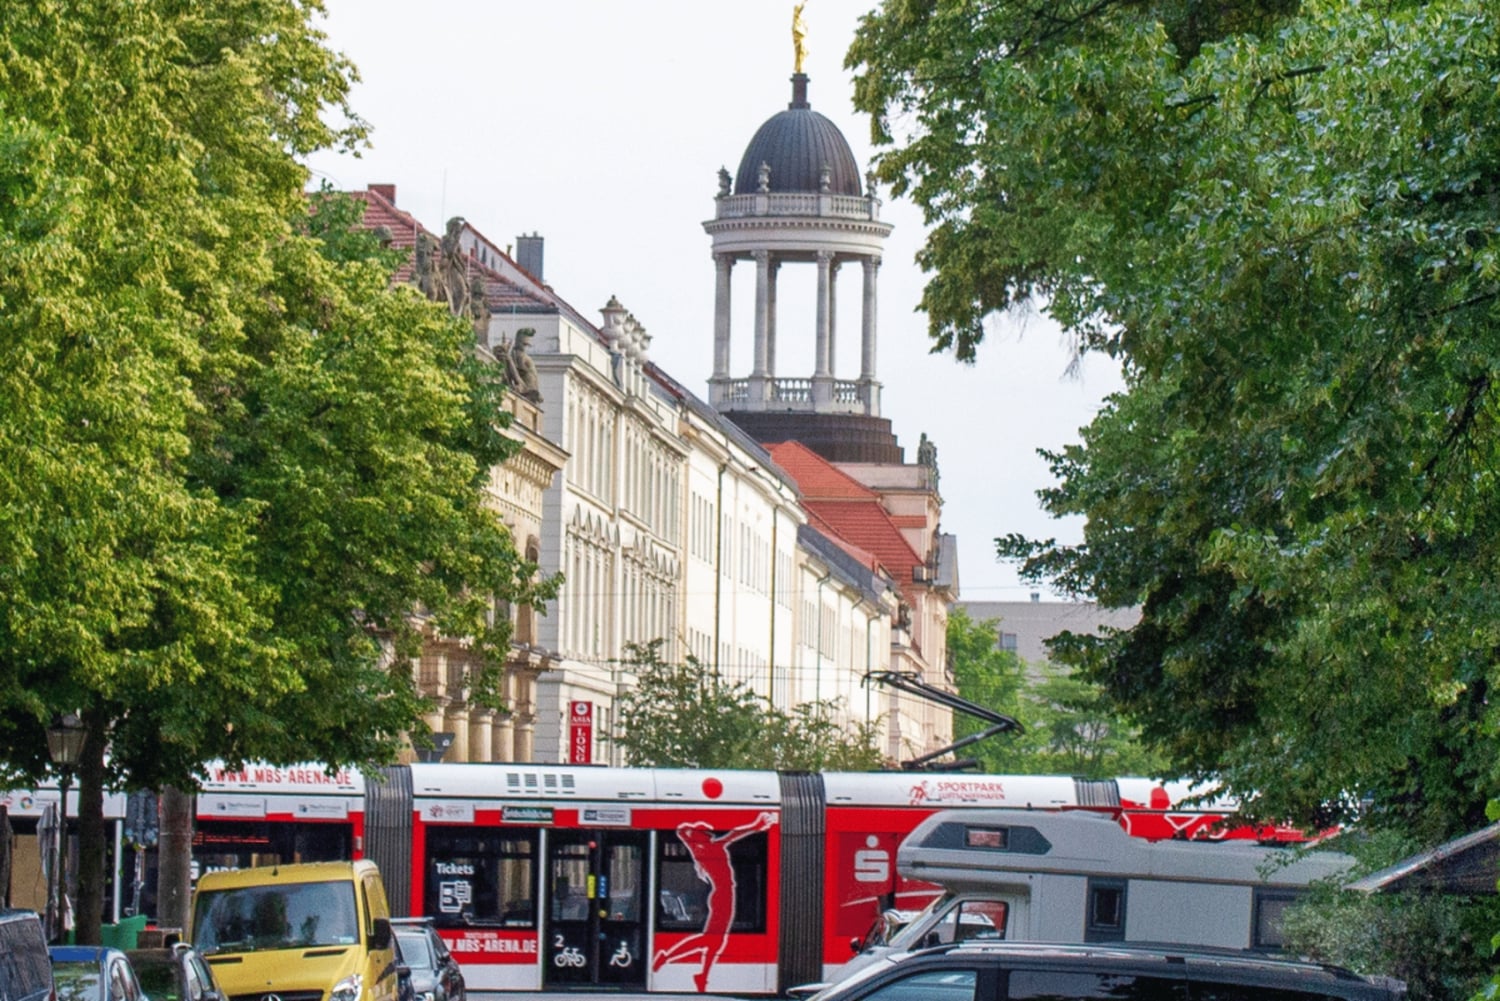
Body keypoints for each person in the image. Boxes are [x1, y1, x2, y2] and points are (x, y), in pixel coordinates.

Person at [508, 328, 543, 403]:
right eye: (524, 344)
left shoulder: (523, 355)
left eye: (527, 345)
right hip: (527, 390)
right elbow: (517, 372)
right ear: (519, 342)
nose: (525, 347)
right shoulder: (517, 354)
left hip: (532, 390)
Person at [792, 3, 808, 74]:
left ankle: (800, 68)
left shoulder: (800, 21)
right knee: (799, 53)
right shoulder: (795, 20)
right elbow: (796, 31)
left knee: (803, 53)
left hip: (801, 39)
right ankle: (799, 68)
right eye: (796, 10)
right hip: (798, 40)